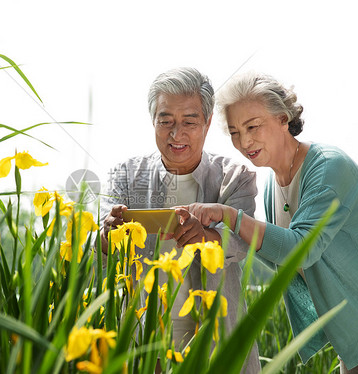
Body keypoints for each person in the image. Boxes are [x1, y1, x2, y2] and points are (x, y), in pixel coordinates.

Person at [181, 71, 358, 373]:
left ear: (283, 118)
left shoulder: (328, 167)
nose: (244, 141)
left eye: (252, 126)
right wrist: (216, 233)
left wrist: (229, 215)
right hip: (354, 337)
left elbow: (302, 250)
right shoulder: (273, 186)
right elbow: (284, 260)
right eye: (234, 132)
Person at [100, 67, 261, 373]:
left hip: (215, 342)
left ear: (208, 122)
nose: (177, 134)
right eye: (166, 121)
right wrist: (108, 234)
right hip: (142, 343)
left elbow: (242, 242)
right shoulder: (125, 177)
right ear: (153, 121)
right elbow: (96, 246)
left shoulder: (234, 178)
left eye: (189, 121)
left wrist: (206, 237)